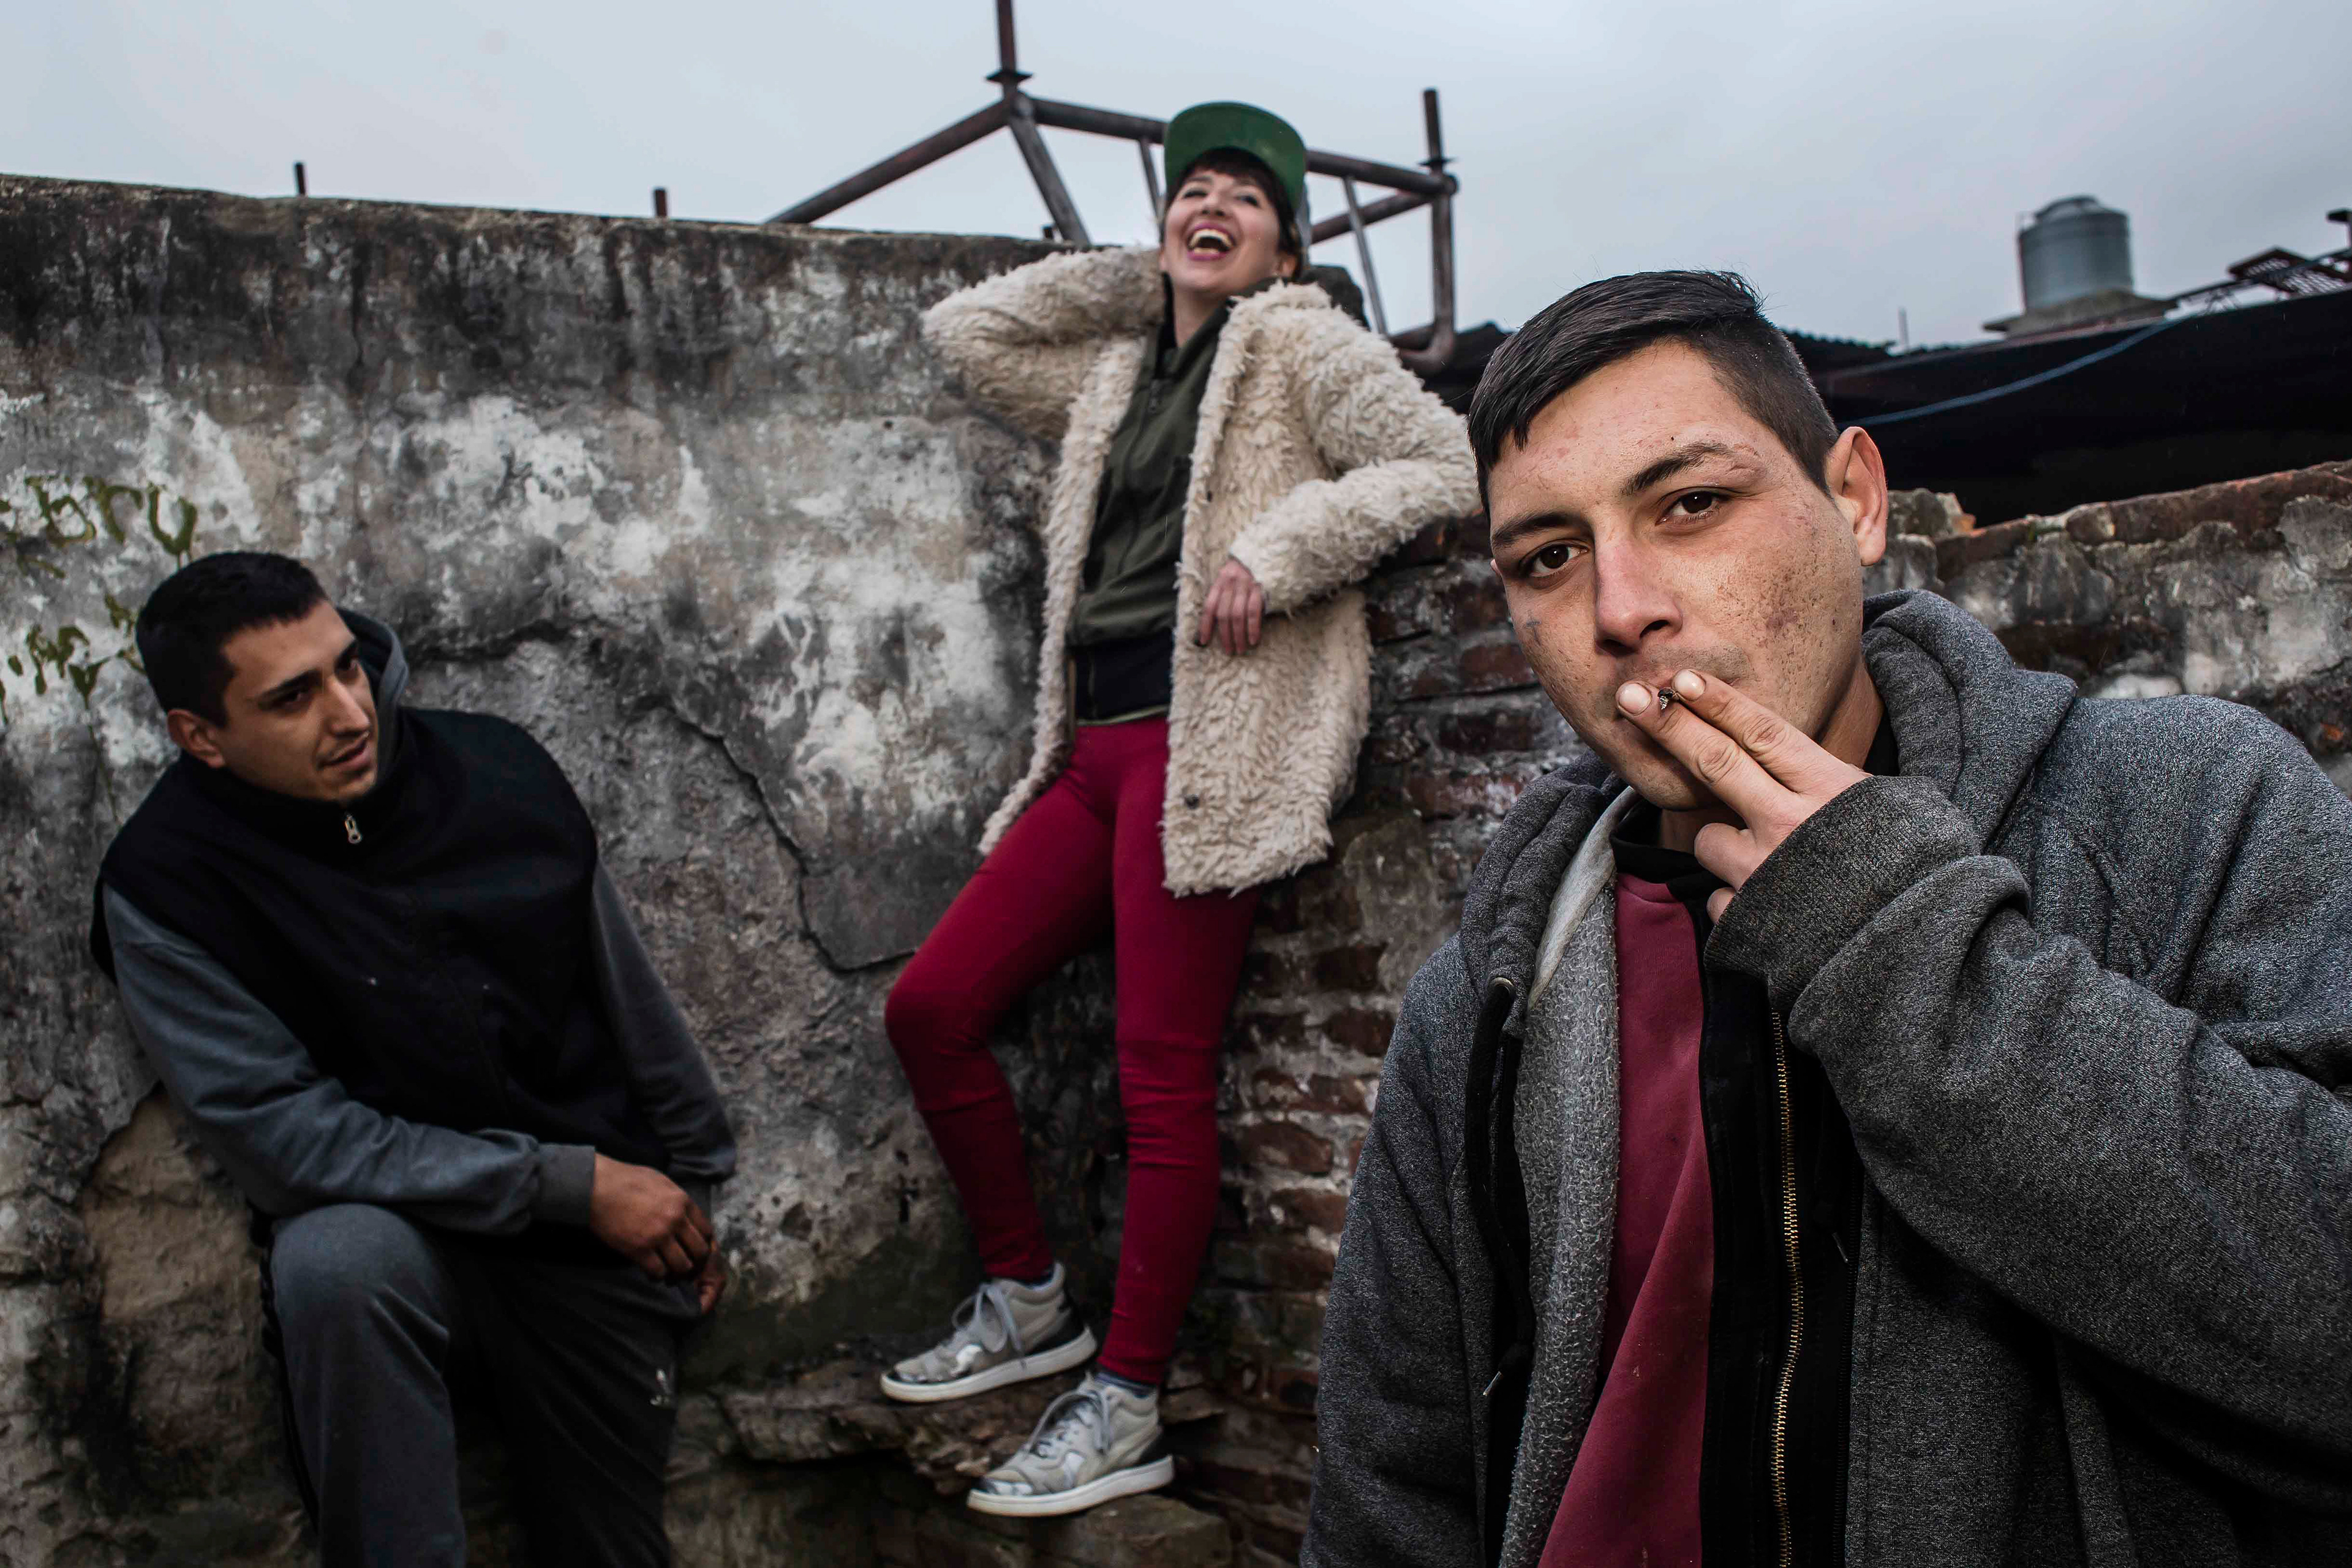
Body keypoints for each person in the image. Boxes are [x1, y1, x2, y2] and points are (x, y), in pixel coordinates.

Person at [1305, 271, 2352, 1567]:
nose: (1622, 609)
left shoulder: (2186, 810)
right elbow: (1389, 1491)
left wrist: (1887, 931)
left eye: (1692, 503)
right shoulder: (1488, 993)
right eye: (1549, 558)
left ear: (1855, 498)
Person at [884, 100, 1477, 1517]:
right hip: (1088, 753)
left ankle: (1129, 1398)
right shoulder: (1114, 368)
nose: (1210, 207)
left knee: (1161, 1073)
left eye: (1244, 200)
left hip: (1204, 744)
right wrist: (1142, 272)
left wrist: (1280, 544)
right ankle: (1029, 1297)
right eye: (1190, 190)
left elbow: (1442, 462)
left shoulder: (1303, 345)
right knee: (931, 1006)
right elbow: (966, 334)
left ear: (1290, 251)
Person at [88, 551, 737, 1568]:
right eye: (293, 698)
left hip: (582, 1249)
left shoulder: (497, 772)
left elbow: (628, 999)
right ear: (199, 736)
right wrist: (567, 1183)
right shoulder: (166, 888)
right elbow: (287, 1142)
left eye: (348, 667)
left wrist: (689, 1193)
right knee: (333, 1260)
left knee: (609, 1548)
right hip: (411, 1249)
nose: (350, 714)